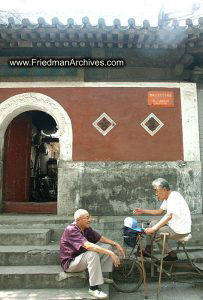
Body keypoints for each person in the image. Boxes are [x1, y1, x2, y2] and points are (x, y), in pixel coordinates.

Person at [59, 209, 125, 299]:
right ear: (78, 220)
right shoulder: (71, 230)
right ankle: (93, 288)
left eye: (89, 217)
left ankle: (100, 277)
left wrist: (115, 244)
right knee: (92, 254)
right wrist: (111, 253)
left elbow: (100, 238)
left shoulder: (86, 228)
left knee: (107, 247)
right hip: (71, 263)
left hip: (81, 257)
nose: (89, 220)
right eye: (86, 218)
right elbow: (88, 246)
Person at [133, 178, 191, 261]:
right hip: (174, 226)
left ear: (164, 189)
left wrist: (154, 229)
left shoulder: (174, 198)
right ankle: (148, 250)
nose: (156, 194)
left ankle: (171, 254)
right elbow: (159, 212)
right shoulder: (168, 197)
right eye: (155, 191)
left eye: (157, 191)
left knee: (157, 233)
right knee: (153, 223)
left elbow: (169, 216)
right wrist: (143, 210)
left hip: (180, 230)